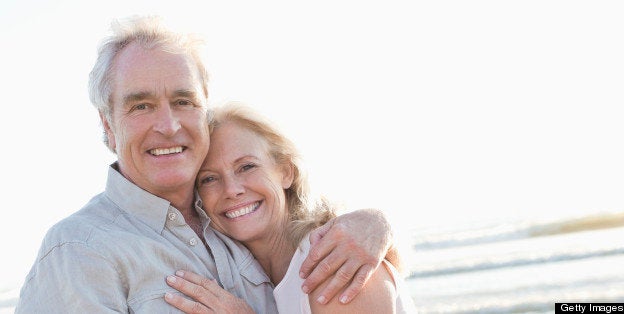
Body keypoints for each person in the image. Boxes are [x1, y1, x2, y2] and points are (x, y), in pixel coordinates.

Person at [15, 15, 397, 313]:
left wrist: (378, 223)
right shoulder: (81, 251)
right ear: (107, 125)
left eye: (183, 101)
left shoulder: (234, 225)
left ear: (204, 110)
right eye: (141, 105)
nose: (167, 126)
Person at [164, 102, 416, 313]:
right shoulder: (240, 277)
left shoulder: (335, 264)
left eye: (247, 167)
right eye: (209, 179)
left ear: (286, 172)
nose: (231, 190)